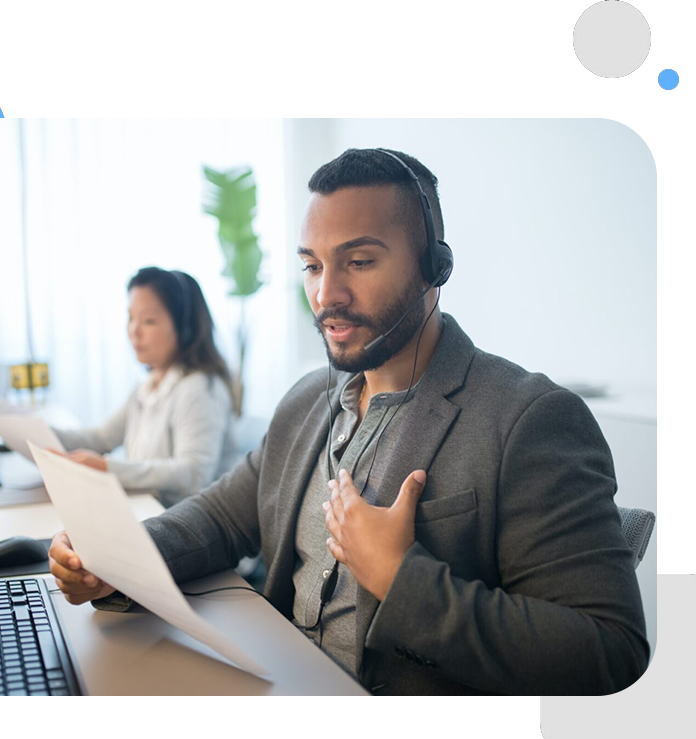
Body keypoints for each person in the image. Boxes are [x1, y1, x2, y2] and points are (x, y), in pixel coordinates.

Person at [48, 148, 649, 697]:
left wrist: (400, 578)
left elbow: (608, 649)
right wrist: (117, 558)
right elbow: (225, 515)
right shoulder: (310, 399)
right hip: (271, 681)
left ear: (432, 267)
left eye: (358, 261)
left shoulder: (529, 419)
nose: (326, 294)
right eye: (312, 266)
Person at [50, 266, 239, 508]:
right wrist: (35, 433)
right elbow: (101, 438)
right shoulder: (149, 385)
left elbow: (194, 473)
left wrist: (108, 468)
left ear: (184, 328)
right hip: (149, 513)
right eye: (131, 318)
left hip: (188, 529)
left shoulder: (199, 388)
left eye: (148, 320)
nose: (134, 331)